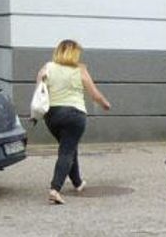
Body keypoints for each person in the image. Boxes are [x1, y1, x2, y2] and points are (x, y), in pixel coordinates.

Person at [37, 39, 111, 205]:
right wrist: (105, 104)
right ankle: (55, 189)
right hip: (74, 115)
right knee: (67, 151)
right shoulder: (80, 70)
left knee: (69, 147)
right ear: (74, 54)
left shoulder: (47, 67)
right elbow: (94, 94)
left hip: (52, 116)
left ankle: (77, 182)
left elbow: (39, 91)